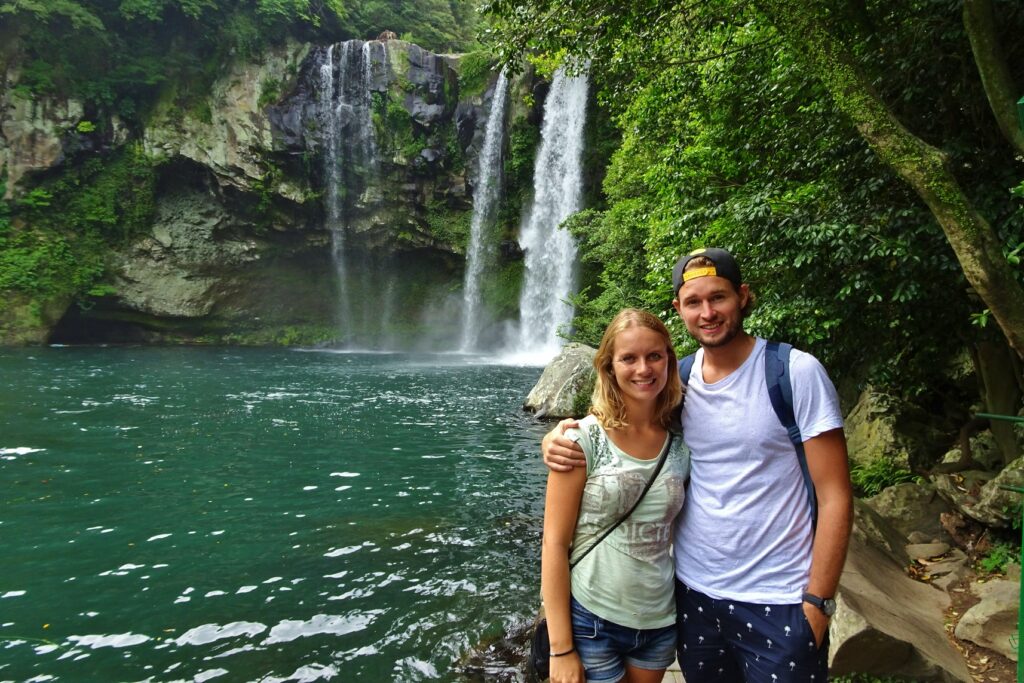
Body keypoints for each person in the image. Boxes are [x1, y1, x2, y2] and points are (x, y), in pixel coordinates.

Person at [543, 248, 853, 682]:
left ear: (743, 296)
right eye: (694, 302)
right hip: (694, 598)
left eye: (718, 298)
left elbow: (836, 493)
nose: (707, 312)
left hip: (779, 597)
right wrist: (556, 438)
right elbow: (624, 430)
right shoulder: (679, 386)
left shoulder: (795, 373)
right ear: (679, 310)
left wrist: (819, 602)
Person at [541, 308, 691, 683]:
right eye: (629, 358)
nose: (643, 368)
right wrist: (561, 648)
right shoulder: (580, 440)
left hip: (659, 619)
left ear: (669, 361)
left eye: (654, 356)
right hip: (592, 619)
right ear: (609, 367)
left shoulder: (684, 440)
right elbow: (554, 544)